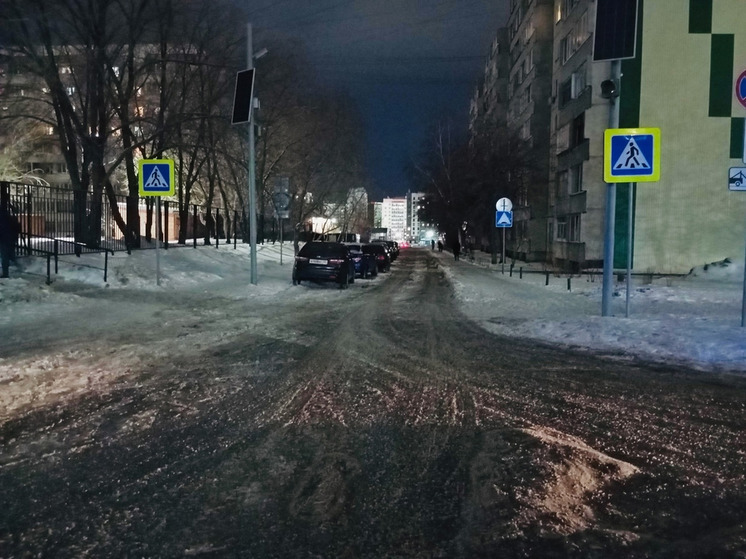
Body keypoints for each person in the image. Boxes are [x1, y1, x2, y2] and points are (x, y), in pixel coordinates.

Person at [0, 203, 16, 278]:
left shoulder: (2, 217)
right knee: (8, 254)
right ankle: (16, 265)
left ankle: (5, 273)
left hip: (4, 238)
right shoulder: (7, 216)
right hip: (10, 238)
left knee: (4, 255)